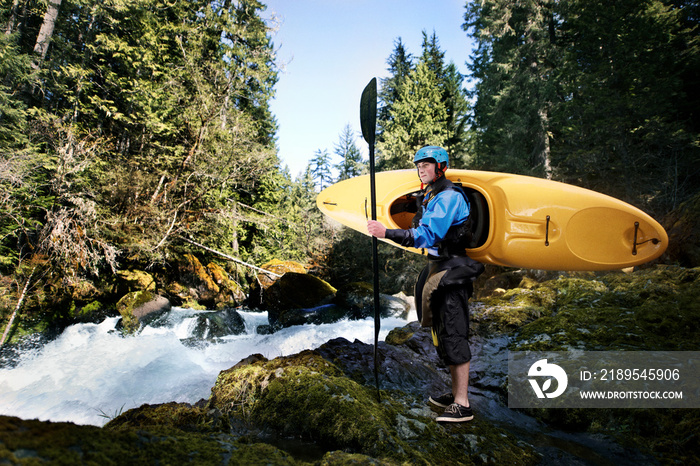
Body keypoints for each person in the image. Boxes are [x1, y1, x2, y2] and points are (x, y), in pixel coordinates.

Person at [367, 145, 484, 423]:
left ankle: (463, 405)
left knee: (454, 334)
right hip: (439, 268)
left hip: (453, 271)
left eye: (427, 165)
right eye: (418, 165)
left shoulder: (448, 197)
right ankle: (455, 394)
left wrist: (386, 233)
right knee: (444, 334)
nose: (421, 169)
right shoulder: (432, 194)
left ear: (440, 167)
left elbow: (427, 235)